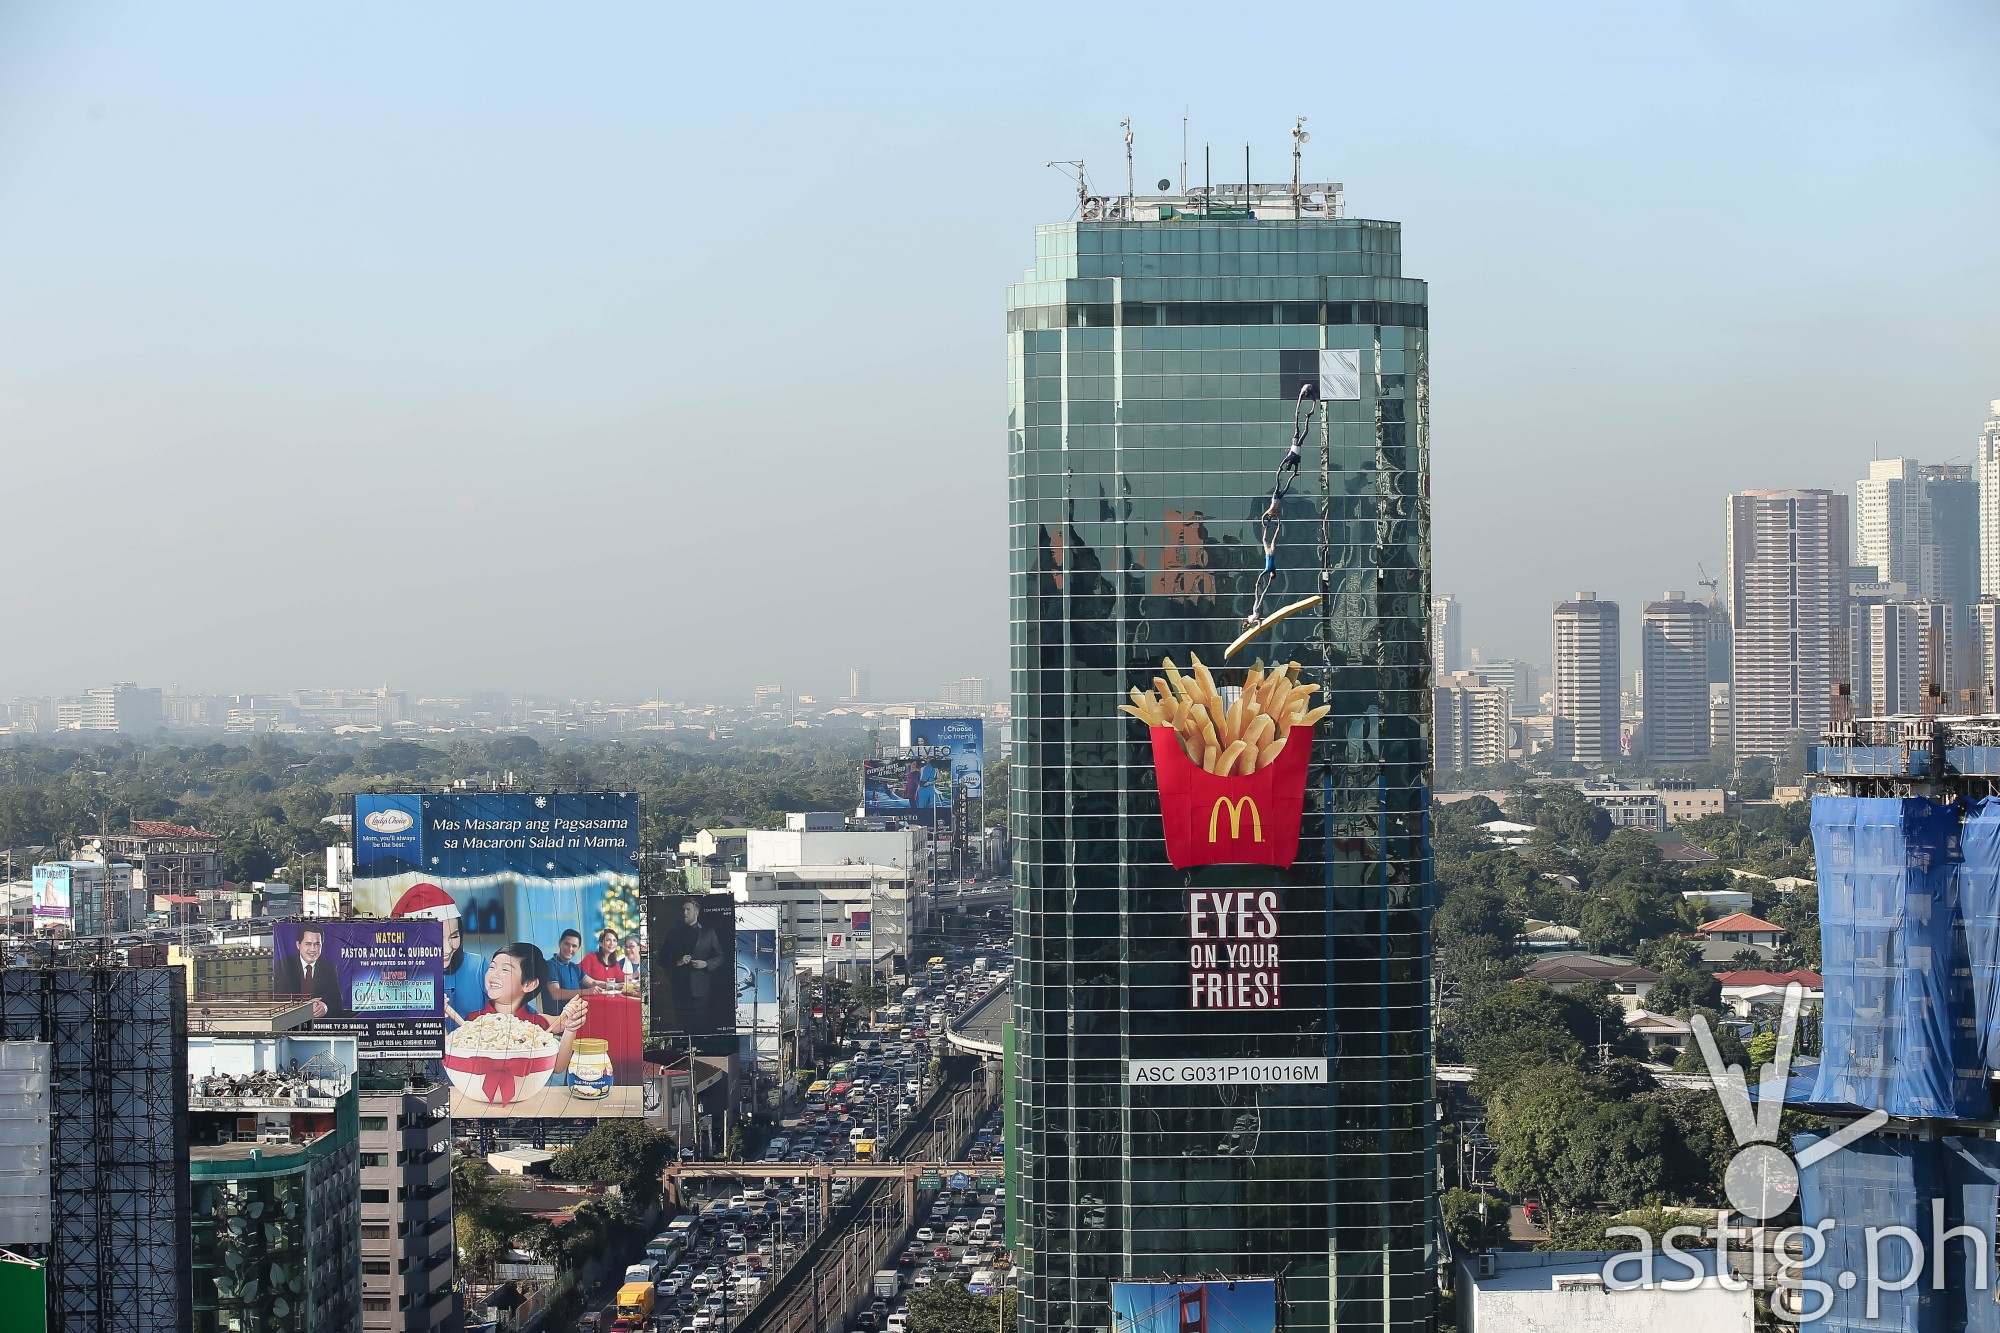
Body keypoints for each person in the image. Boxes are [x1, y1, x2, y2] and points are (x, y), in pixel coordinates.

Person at [462, 942, 590, 1077]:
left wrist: (570, 1029)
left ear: (529, 984)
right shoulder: (473, 1021)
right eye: (492, 967)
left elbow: (558, 1066)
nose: (494, 974)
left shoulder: (536, 1025)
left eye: (505, 969)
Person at [391, 882, 486, 1031]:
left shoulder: (478, 968)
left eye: (454, 936)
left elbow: (512, 1016)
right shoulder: (388, 977)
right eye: (434, 940)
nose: (448, 949)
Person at [666, 898, 727, 1031]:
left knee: (700, 1026)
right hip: (679, 989)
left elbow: (721, 956)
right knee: (682, 1027)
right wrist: (679, 961)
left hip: (701, 990)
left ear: (696, 912)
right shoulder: (674, 934)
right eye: (683, 910)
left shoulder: (708, 933)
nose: (685, 912)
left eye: (688, 909)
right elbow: (663, 959)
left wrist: (706, 964)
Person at [273, 924, 346, 1019]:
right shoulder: (284, 966)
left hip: (318, 1026)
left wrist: (325, 1007)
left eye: (317, 944)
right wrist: (304, 1007)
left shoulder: (329, 968)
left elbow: (337, 1002)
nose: (313, 949)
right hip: (290, 1024)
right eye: (308, 944)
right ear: (298, 945)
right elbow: (278, 1001)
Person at [545, 928, 587, 1013]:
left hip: (574, 1016)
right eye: (567, 944)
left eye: (574, 946)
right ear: (560, 943)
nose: (570, 949)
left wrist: (615, 985)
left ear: (578, 948)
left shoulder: (574, 967)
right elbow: (556, 994)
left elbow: (593, 983)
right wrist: (587, 991)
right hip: (556, 1019)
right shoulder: (550, 965)